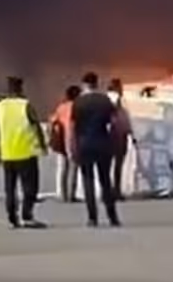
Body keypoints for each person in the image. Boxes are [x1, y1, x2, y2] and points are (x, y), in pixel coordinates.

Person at [0, 77, 47, 229]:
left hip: (7, 153)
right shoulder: (25, 105)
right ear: (20, 89)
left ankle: (12, 215)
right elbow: (36, 126)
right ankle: (27, 216)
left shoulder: (0, 106)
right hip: (25, 152)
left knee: (10, 187)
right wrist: (43, 145)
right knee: (30, 186)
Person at [71, 72, 121, 228]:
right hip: (103, 143)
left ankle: (92, 217)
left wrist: (72, 146)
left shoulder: (78, 102)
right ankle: (112, 216)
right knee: (105, 180)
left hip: (84, 144)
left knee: (88, 181)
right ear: (96, 83)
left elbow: (73, 127)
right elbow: (114, 122)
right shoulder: (104, 100)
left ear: (84, 84)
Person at [50, 86, 80, 203]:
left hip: (62, 140)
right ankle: (71, 194)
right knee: (73, 168)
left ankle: (63, 194)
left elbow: (53, 120)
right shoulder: (78, 107)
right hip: (74, 139)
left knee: (64, 168)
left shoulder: (61, 107)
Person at [108, 78, 133, 200]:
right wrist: (130, 134)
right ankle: (114, 190)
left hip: (115, 137)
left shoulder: (119, 103)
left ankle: (113, 190)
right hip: (116, 137)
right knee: (116, 166)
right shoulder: (116, 102)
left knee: (113, 166)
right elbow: (123, 121)